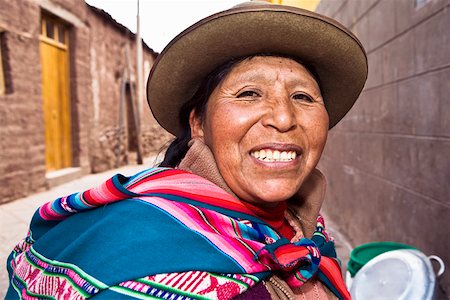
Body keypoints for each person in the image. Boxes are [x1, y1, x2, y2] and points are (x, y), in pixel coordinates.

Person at [6, 2, 367, 299]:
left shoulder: (304, 227)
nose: (284, 117)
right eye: (248, 93)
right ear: (198, 123)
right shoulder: (142, 255)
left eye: (303, 97)